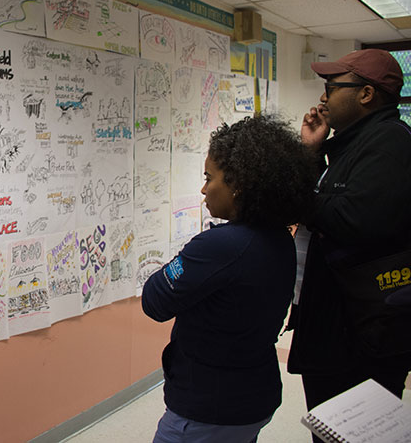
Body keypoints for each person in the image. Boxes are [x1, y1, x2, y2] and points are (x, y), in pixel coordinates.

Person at [142, 115, 316, 443]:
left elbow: (154, 300)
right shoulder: (279, 238)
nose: (204, 188)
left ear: (237, 183)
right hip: (253, 397)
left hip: (207, 410)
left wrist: (188, 259)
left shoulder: (221, 246)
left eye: (210, 177)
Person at [287, 49, 411, 439]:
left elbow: (352, 220)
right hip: (335, 326)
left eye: (331, 88)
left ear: (366, 95)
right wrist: (312, 152)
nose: (323, 98)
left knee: (351, 432)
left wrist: (293, 191)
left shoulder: (391, 142)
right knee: (328, 429)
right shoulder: (355, 144)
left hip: (360, 334)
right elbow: (335, 203)